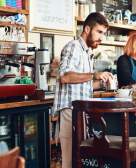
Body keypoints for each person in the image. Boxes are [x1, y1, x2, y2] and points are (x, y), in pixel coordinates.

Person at [52, 12, 115, 168]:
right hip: (70, 109)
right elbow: (65, 77)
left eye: (103, 33)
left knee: (79, 158)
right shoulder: (73, 47)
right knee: (69, 159)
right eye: (99, 32)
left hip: (80, 111)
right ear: (87, 29)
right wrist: (95, 74)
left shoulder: (87, 52)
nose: (102, 37)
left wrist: (103, 83)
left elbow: (84, 84)